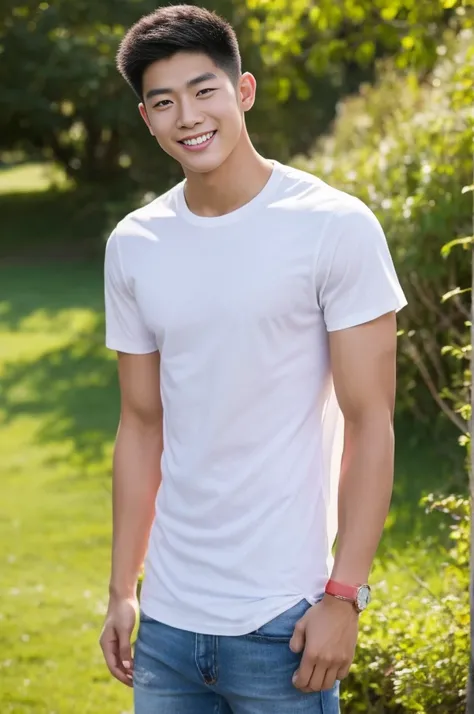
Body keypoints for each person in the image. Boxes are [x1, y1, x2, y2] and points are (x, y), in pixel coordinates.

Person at [99, 4, 407, 713]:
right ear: (147, 119)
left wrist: (344, 595)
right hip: (170, 626)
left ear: (244, 91)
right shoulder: (135, 244)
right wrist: (122, 590)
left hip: (284, 622)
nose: (188, 116)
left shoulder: (335, 228)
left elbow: (371, 423)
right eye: (164, 101)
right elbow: (142, 426)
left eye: (204, 90)